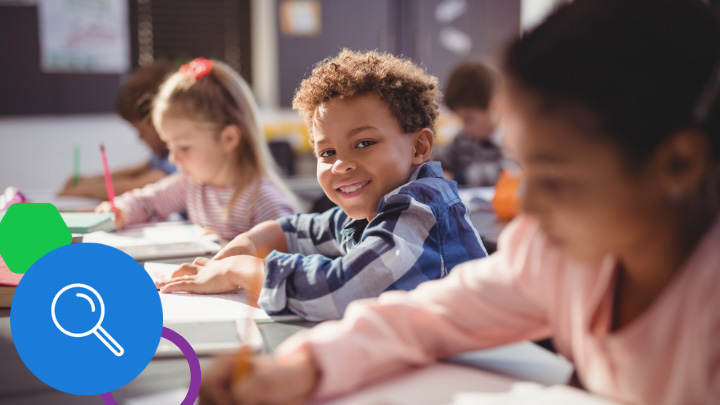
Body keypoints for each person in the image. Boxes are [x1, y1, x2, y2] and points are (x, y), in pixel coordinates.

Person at [197, 0, 720, 404]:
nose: (527, 205)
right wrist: (307, 365)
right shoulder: (554, 254)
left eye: (556, 176)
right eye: (524, 166)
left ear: (677, 164)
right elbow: (428, 317)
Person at [155, 50, 488, 320]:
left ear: (419, 147)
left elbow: (341, 292)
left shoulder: (420, 210)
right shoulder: (368, 209)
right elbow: (296, 230)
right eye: (327, 152)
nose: (340, 164)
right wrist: (241, 247)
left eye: (364, 143)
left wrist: (240, 269)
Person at [96, 58, 296, 241]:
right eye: (169, 146)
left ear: (228, 138)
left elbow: (286, 266)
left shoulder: (265, 204)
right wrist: (120, 210)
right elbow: (146, 202)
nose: (173, 159)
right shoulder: (192, 186)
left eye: (183, 147)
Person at [58, 61, 176, 199]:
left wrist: (86, 189)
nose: (140, 138)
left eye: (142, 131)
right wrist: (92, 180)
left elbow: (148, 182)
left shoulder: (178, 152)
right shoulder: (162, 154)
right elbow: (139, 170)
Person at [436, 61, 507, 186]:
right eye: (460, 119)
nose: (464, 127)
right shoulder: (464, 138)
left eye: (468, 119)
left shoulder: (510, 140)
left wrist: (456, 177)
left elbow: (505, 173)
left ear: (493, 106)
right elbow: (441, 159)